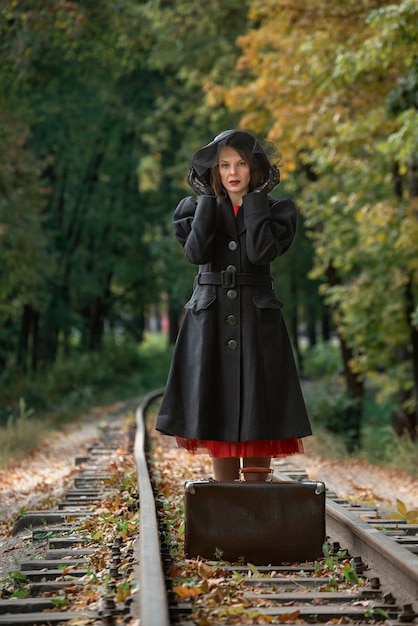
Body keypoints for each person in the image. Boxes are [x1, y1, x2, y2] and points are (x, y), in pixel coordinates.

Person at [156, 129, 312, 482]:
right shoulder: (193, 210)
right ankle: (224, 517)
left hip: (258, 323)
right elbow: (195, 254)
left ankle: (256, 515)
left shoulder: (277, 212)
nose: (232, 172)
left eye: (241, 163)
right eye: (224, 165)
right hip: (209, 322)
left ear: (254, 168)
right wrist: (210, 202)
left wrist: (254, 201)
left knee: (259, 410)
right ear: (214, 171)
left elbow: (260, 252)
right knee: (217, 411)